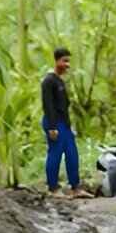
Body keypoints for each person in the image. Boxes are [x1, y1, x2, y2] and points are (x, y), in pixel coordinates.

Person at [41, 47, 91, 198]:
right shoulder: (48, 81)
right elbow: (48, 105)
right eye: (64, 61)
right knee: (55, 154)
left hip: (64, 123)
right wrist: (52, 127)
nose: (67, 64)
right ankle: (53, 188)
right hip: (54, 123)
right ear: (57, 61)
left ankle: (75, 187)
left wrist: (70, 125)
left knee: (72, 154)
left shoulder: (60, 81)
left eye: (68, 61)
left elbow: (64, 106)